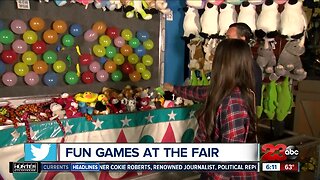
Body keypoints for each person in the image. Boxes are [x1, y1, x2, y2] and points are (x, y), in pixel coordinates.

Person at [197, 39, 257, 179]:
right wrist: (173, 88)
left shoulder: (232, 102)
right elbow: (200, 92)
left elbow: (229, 157)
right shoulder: (224, 91)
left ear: (222, 63)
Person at [163, 23, 262, 107]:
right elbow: (213, 92)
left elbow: (252, 104)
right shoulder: (228, 64)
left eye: (229, 37)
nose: (225, 41)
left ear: (242, 39)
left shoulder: (251, 68)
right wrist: (174, 89)